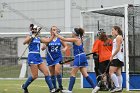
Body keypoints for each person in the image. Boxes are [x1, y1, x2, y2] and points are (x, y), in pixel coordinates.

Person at [53, 28, 95, 93]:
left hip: (79, 57)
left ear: (75, 33)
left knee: (72, 73)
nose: (71, 34)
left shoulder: (75, 39)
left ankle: (69, 90)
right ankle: (95, 87)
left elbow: (64, 39)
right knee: (85, 74)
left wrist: (56, 34)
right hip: (82, 56)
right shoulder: (79, 38)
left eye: (72, 32)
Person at [22, 25, 57, 93]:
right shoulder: (29, 36)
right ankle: (24, 86)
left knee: (46, 73)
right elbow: (24, 42)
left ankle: (52, 89)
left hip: (38, 57)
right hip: (32, 56)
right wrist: (31, 36)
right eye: (37, 30)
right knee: (35, 76)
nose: (39, 32)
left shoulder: (38, 38)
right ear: (34, 30)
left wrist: (53, 34)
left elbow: (48, 40)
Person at [42, 26, 68, 92]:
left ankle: (60, 86)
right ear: (50, 31)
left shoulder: (59, 39)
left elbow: (66, 45)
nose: (54, 31)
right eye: (53, 30)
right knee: (52, 74)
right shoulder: (48, 39)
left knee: (57, 71)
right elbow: (43, 48)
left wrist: (65, 49)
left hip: (58, 57)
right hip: (50, 58)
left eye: (55, 30)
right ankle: (55, 88)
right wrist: (44, 46)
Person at [109, 26, 124, 93]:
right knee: (118, 73)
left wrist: (112, 56)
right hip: (119, 58)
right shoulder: (118, 37)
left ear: (116, 30)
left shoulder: (118, 37)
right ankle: (120, 88)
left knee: (111, 72)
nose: (112, 31)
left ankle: (117, 87)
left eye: (113, 30)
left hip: (117, 58)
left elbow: (118, 48)